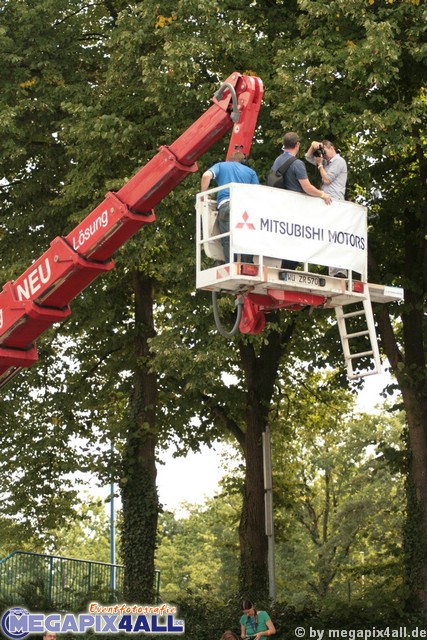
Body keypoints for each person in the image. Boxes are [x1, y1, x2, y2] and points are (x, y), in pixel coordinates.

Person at [200, 151, 259, 263]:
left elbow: (206, 175)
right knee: (246, 238)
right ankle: (247, 266)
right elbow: (256, 193)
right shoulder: (251, 172)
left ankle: (232, 264)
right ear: (243, 161)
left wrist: (204, 194)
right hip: (244, 208)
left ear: (229, 160)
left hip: (226, 205)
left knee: (228, 240)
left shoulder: (221, 166)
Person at [305, 139, 348, 277]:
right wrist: (313, 146)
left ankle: (340, 271)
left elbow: (327, 179)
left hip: (336, 202)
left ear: (332, 148)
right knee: (330, 236)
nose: (326, 156)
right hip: (328, 202)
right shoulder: (326, 162)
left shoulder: (339, 161)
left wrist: (319, 166)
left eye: (326, 151)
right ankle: (333, 271)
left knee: (337, 236)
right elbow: (307, 157)